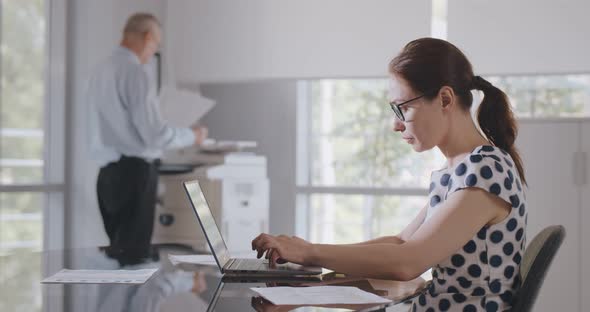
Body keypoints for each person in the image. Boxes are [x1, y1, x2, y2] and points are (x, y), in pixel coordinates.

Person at [252, 38, 527, 312]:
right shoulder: (460, 170)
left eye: (403, 108)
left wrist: (310, 252)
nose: (396, 125)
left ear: (445, 99)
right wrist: (312, 253)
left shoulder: (486, 169)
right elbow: (401, 242)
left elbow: (407, 261)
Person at [87, 13, 207, 264]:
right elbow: (155, 134)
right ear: (148, 37)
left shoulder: (100, 70)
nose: (153, 52)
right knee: (135, 260)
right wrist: (191, 136)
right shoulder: (136, 72)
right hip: (135, 174)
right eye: (156, 45)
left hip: (107, 177)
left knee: (120, 256)